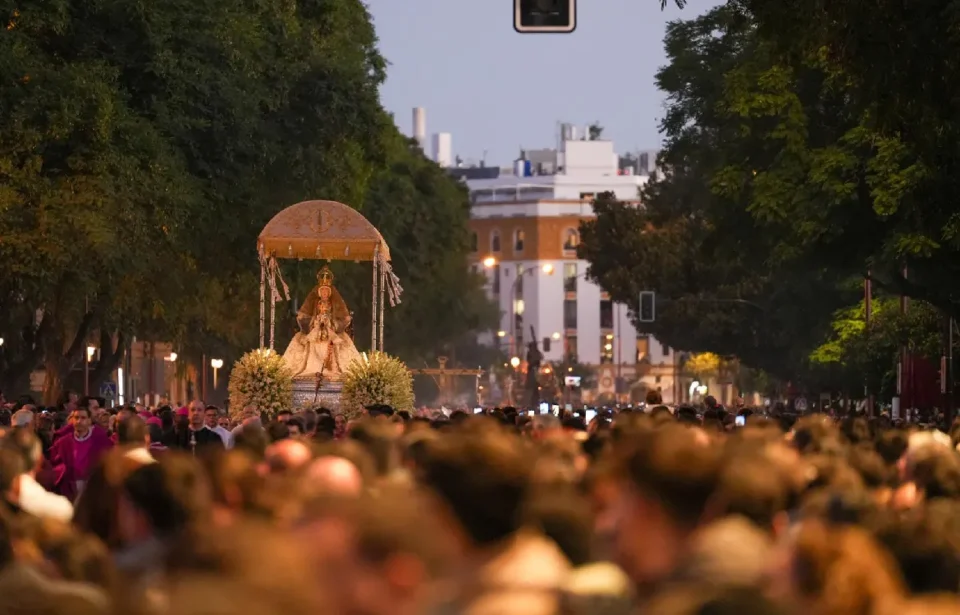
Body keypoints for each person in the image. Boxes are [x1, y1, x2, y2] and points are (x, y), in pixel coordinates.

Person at [280, 265, 363, 382]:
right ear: (319, 292)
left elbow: (342, 317)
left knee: (336, 344)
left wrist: (331, 323)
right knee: (310, 342)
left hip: (330, 329)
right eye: (322, 290)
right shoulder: (315, 303)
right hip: (316, 328)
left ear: (329, 293)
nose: (324, 293)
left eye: (326, 291)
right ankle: (313, 367)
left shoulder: (334, 304)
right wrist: (315, 322)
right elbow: (305, 316)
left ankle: (331, 367)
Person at [48, 406, 114, 501]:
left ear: (89, 421)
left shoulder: (100, 440)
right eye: (76, 418)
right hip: (70, 490)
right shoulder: (63, 442)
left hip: (93, 489)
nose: (79, 421)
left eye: (83, 418)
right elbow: (53, 463)